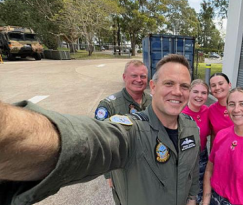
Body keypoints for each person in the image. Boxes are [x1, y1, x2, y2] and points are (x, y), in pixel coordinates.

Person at [0, 54, 199, 205]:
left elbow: (192, 171)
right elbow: (91, 140)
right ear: (153, 87)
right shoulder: (132, 131)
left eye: (184, 86)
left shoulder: (191, 128)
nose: (177, 92)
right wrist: (10, 129)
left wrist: (191, 199)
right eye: (169, 83)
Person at [94, 60, 152, 204]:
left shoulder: (153, 102)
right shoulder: (109, 105)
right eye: (134, 76)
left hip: (150, 166)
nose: (139, 80)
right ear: (124, 77)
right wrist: (108, 174)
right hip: (123, 169)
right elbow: (101, 142)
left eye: (143, 76)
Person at [208, 73, 243, 147]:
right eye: (213, 85)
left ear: (229, 85)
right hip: (222, 152)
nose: (217, 87)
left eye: (221, 83)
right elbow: (213, 134)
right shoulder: (211, 110)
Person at [181, 79, 211, 203]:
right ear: (189, 92)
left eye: (203, 93)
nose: (199, 96)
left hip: (202, 155)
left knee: (198, 187)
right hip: (184, 157)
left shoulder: (207, 111)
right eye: (196, 92)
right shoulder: (180, 113)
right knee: (185, 188)